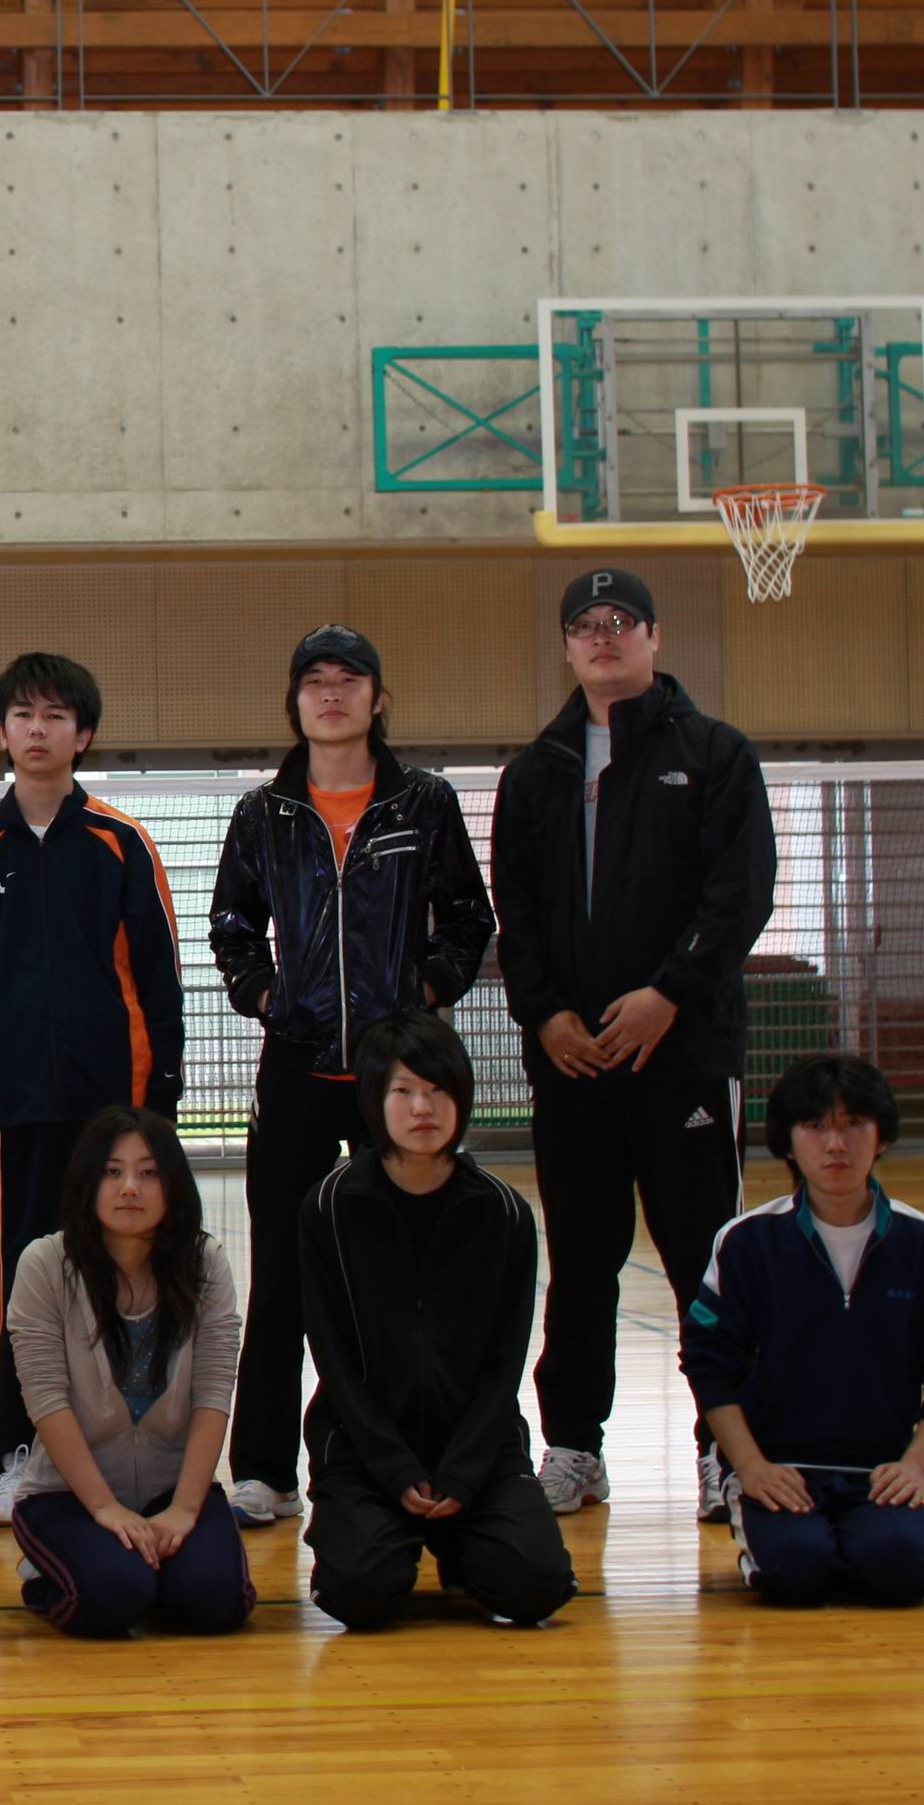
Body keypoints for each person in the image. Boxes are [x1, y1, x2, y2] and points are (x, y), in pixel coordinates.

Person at [492, 568, 777, 1520]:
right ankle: (574, 1447)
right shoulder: (536, 772)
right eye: (585, 625)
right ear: (567, 648)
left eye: (621, 622)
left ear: (654, 638)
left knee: (706, 1260)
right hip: (574, 1065)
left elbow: (738, 897)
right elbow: (517, 915)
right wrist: (546, 1016)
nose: (603, 636)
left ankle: (726, 1451)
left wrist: (667, 997)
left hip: (682, 1058)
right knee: (580, 1263)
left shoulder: (715, 754)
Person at [209, 624, 493, 1529]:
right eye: (315, 682)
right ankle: (263, 1470)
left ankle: (397, 1458)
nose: (331, 695)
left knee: (399, 1278)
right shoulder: (265, 813)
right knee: (282, 1276)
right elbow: (231, 923)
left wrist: (426, 991)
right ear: (295, 703)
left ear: (378, 698)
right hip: (297, 1069)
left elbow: (468, 917)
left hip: (395, 1075)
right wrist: (264, 995)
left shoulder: (424, 803)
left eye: (348, 680)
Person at [0, 650, 185, 1525]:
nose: (37, 730)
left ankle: (134, 1456)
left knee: (125, 1278)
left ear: (83, 736)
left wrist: (157, 1112)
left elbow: (160, 978)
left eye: (55, 716)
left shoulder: (121, 844)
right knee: (25, 1286)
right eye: (23, 715)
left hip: (113, 1114)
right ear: (1, 731)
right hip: (16, 1117)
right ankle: (19, 1454)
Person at [298, 1012, 577, 1633]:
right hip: (366, 1447)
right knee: (360, 1592)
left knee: (536, 1585)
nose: (422, 1107)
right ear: (375, 1101)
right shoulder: (329, 1208)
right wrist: (395, 1470)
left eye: (438, 1089)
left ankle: (461, 1546)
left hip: (476, 1447)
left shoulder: (503, 1214)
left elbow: (505, 1363)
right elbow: (333, 1358)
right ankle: (385, 1536)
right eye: (403, 1091)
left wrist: (464, 1472)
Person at [682, 1056, 924, 1607]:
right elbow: (708, 1364)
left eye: (853, 1124)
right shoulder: (746, 1243)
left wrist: (915, 1464)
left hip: (877, 1471)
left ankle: (885, 1542)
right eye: (815, 1126)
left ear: (882, 1137)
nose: (836, 1144)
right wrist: (751, 1467)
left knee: (899, 1574)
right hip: (778, 1467)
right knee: (795, 1574)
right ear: (787, 1142)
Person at [3, 1107, 252, 1638]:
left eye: (149, 1172)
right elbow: (46, 1400)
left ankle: (148, 1566)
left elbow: (214, 1393)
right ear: (87, 1182)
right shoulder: (45, 1264)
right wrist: (105, 1509)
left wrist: (185, 1509)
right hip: (68, 1494)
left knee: (215, 1601)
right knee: (112, 1596)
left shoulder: (204, 1262)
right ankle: (53, 1572)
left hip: (171, 1488)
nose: (130, 1188)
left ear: (174, 1184)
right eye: (112, 1172)